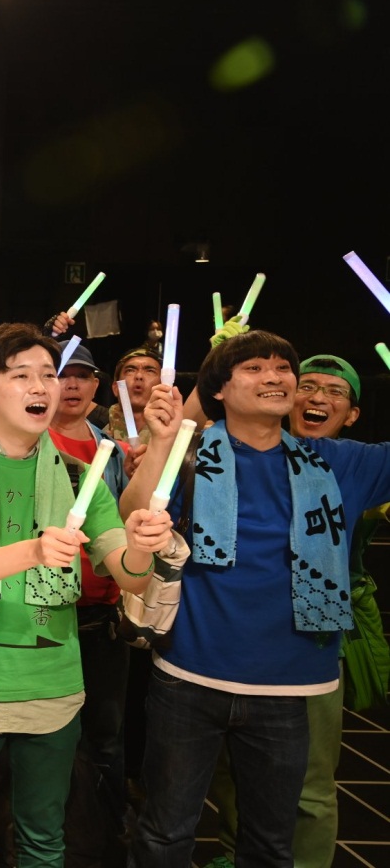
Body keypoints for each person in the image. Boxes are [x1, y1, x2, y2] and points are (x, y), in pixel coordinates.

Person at [123, 333, 390, 868]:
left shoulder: (338, 462)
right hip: (189, 674)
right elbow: (134, 513)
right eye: (254, 367)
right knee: (166, 833)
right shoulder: (191, 454)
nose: (274, 376)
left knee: (270, 842)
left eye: (283, 368)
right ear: (219, 389)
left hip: (290, 683)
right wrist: (163, 443)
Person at [0, 323, 170, 868]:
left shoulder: (82, 477)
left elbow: (130, 576)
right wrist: (34, 550)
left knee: (43, 835)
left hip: (51, 686)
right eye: (21, 375)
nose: (41, 387)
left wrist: (144, 545)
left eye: (48, 375)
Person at [204, 354, 370, 868]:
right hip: (227, 651)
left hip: (306, 654)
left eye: (334, 392)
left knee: (309, 787)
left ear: (353, 414)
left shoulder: (351, 464)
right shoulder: (221, 452)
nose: (317, 398)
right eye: (309, 386)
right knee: (231, 777)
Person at [46, 339, 136, 824]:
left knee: (105, 729)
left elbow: (122, 524)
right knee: (44, 729)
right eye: (61, 375)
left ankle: (104, 827)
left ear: (96, 385)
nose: (72, 385)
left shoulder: (113, 451)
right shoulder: (28, 442)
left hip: (101, 612)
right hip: (44, 609)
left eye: (82, 376)